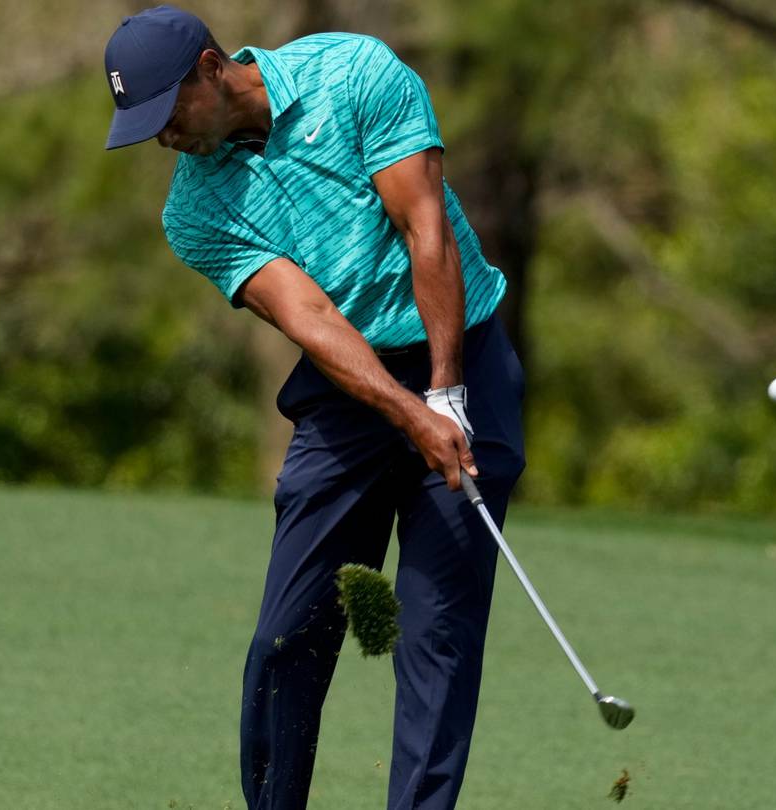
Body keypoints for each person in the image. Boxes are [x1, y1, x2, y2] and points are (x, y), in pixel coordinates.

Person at [102, 7, 526, 809]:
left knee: (437, 634)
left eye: (167, 114)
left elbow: (423, 227)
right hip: (351, 389)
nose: (162, 139)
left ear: (209, 67)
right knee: (284, 635)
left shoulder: (354, 74)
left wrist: (446, 394)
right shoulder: (196, 214)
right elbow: (315, 322)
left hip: (462, 352)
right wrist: (410, 412)